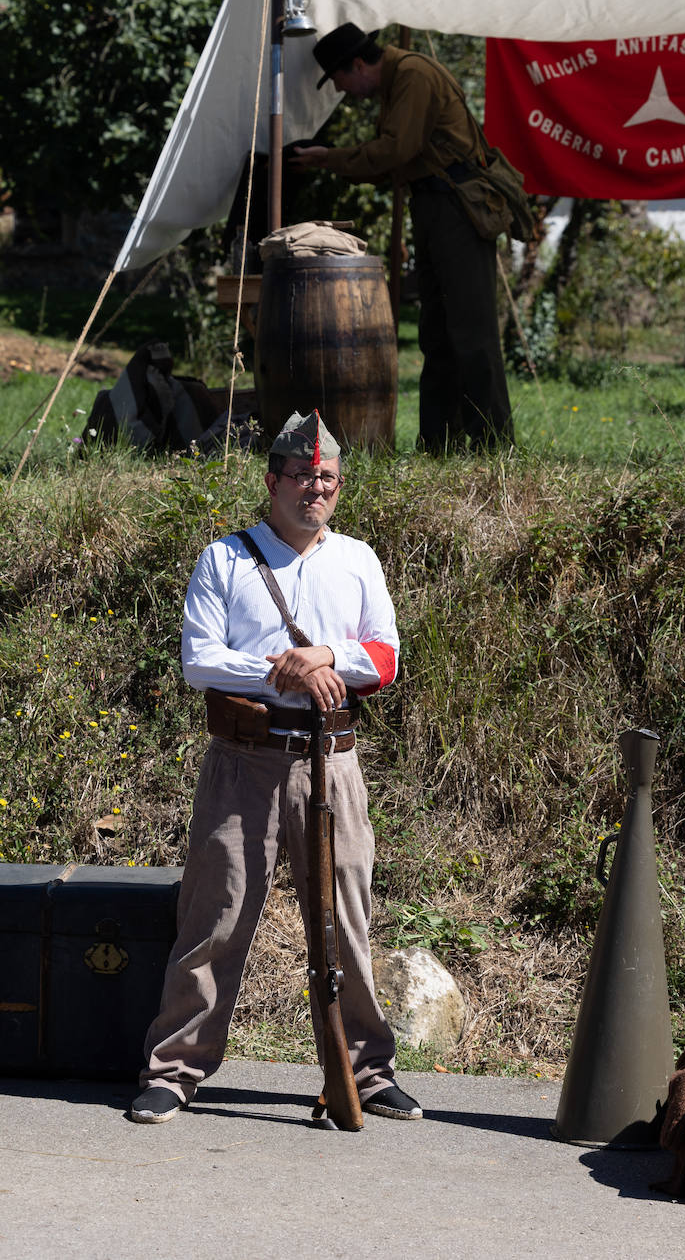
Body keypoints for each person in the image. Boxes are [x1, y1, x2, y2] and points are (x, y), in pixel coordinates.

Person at [130, 409, 421, 1125]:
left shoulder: (358, 559)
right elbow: (200, 660)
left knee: (346, 923)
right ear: (272, 481)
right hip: (243, 763)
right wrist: (283, 672)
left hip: (333, 763)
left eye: (325, 477)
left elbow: (382, 658)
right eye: (299, 475)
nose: (312, 488)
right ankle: (174, 1068)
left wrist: (323, 656)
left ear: (338, 485)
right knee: (217, 915)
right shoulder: (225, 559)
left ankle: (366, 1071)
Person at [291, 22, 514, 453]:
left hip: (458, 210)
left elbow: (396, 151)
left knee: (472, 331)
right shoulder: (396, 82)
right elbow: (394, 160)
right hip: (434, 208)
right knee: (437, 332)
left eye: (339, 79)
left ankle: (493, 447)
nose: (342, 90)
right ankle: (439, 443)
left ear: (358, 64)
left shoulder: (412, 75)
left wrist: (329, 159)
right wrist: (334, 163)